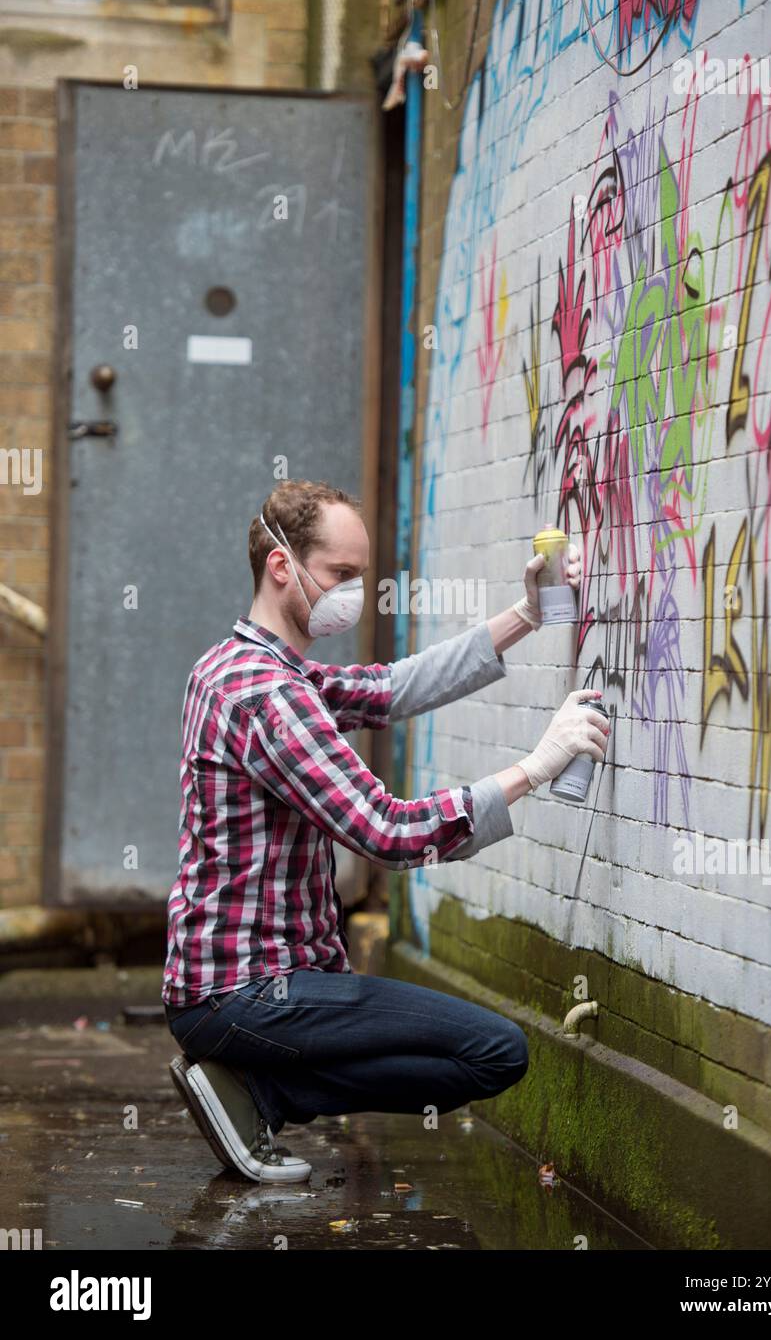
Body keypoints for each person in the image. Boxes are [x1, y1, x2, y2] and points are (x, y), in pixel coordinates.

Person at [163, 479, 610, 1182]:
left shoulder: (238, 666)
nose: (352, 593)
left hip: (223, 986)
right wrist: (535, 767)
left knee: (467, 1046)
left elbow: (394, 688)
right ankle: (264, 1092)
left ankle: (256, 1090)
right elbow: (388, 834)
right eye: (340, 575)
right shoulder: (271, 695)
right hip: (246, 991)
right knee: (494, 1051)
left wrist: (528, 611)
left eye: (359, 578)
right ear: (283, 567)